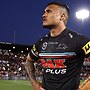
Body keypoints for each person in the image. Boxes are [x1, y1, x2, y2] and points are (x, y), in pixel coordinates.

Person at [25, 1, 90, 90]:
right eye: (44, 12)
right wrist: (34, 82)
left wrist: (85, 88)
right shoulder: (41, 42)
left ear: (62, 16)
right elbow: (29, 61)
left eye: (49, 11)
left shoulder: (79, 40)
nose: (44, 15)